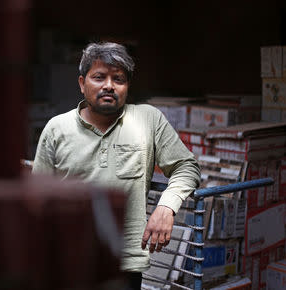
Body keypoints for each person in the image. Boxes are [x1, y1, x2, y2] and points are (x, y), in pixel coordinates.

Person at [32, 42, 200, 289]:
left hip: (124, 264)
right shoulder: (57, 128)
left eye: (118, 79)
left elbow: (187, 166)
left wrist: (167, 206)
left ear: (127, 86)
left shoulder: (148, 119)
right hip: (69, 262)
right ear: (82, 83)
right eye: (99, 77)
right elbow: (38, 197)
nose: (109, 85)